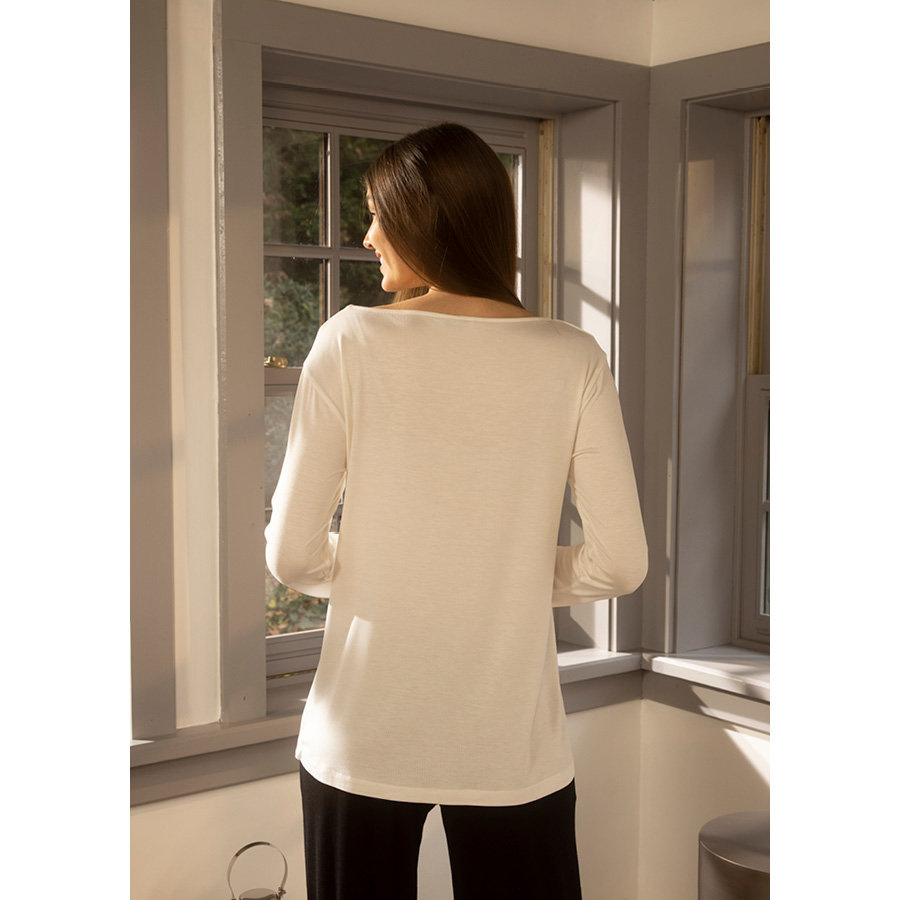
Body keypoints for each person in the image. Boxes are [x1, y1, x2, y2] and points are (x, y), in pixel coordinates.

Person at [265, 122, 648, 900]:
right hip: (511, 745)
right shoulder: (573, 356)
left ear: (423, 219)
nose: (367, 236)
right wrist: (494, 576)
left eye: (378, 215)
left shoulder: (350, 341)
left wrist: (395, 570)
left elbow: (293, 555)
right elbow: (620, 564)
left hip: (360, 734)